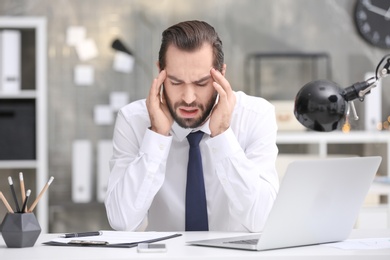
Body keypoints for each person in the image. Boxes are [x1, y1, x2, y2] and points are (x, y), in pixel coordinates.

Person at [105, 20, 279, 232]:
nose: (188, 99)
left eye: (201, 84)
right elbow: (121, 221)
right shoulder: (134, 120)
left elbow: (263, 220)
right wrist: (157, 136)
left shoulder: (256, 116)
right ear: (160, 72)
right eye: (176, 83)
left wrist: (222, 135)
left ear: (221, 75)